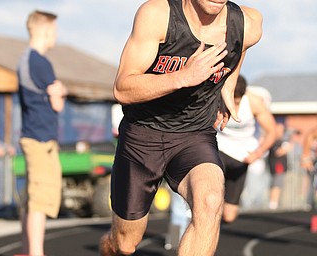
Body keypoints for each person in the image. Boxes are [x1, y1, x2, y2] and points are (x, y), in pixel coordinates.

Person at [99, 1, 262, 255]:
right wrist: (183, 77)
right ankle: (109, 245)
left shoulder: (248, 24)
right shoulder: (157, 15)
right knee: (125, 244)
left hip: (194, 135)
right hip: (143, 136)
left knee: (209, 201)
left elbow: (241, 47)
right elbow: (122, 88)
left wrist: (228, 83)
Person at [17, 10, 67, 255]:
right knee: (40, 199)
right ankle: (36, 253)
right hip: (41, 139)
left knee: (30, 197)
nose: (55, 36)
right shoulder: (41, 62)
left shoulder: (24, 60)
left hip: (30, 135)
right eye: (55, 31)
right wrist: (61, 91)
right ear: (46, 31)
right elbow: (57, 103)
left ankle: (28, 250)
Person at [217, 75, 276, 223]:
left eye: (236, 102)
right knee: (211, 201)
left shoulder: (253, 102)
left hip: (242, 157)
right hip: (219, 150)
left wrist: (257, 154)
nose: (234, 107)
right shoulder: (217, 98)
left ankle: (216, 226)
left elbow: (272, 131)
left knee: (229, 216)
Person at [268, 123, 293, 210]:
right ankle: (273, 203)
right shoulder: (275, 140)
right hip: (277, 165)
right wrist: (285, 149)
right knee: (276, 184)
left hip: (279, 165)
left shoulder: (280, 140)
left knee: (278, 184)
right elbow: (277, 152)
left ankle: (275, 202)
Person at [301, 125, 317, 209]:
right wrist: (306, 161)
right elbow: (306, 151)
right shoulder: (311, 135)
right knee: (312, 182)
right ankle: (310, 202)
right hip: (313, 163)